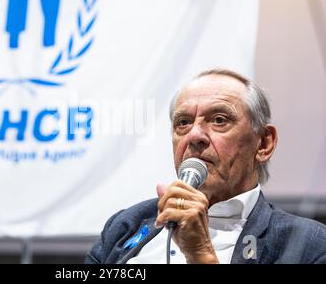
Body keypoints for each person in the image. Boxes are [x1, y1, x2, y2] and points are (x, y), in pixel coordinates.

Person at [85, 68, 326, 264]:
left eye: (219, 120)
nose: (195, 135)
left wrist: (201, 255)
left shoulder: (308, 244)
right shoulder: (127, 225)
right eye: (183, 122)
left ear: (263, 143)